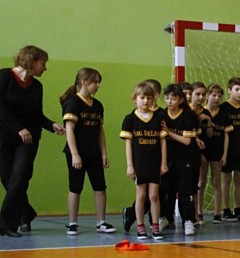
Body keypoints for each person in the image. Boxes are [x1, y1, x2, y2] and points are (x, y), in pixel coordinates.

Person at [0, 45, 65, 237]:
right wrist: (18, 128)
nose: (45, 68)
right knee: (8, 179)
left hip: (28, 139)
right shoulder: (4, 76)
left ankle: (7, 225)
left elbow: (36, 114)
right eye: (43, 63)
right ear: (32, 60)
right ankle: (26, 213)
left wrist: (51, 125)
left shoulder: (37, 86)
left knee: (20, 176)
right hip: (4, 135)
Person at [60, 67, 115, 235]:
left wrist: (104, 153)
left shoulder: (97, 105)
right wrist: (75, 154)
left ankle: (101, 222)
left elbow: (100, 131)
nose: (98, 85)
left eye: (99, 82)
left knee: (100, 187)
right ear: (83, 82)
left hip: (94, 153)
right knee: (75, 187)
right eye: (95, 82)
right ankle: (72, 223)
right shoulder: (73, 103)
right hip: (77, 153)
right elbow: (69, 130)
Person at [120, 82, 168, 240]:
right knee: (141, 196)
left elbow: (163, 142)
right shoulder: (130, 119)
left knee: (154, 196)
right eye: (142, 97)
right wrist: (130, 166)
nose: (146, 101)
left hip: (155, 163)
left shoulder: (158, 118)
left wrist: (163, 163)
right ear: (135, 99)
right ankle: (140, 227)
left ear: (153, 99)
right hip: (139, 164)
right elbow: (128, 145)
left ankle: (155, 226)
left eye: (149, 97)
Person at [161, 83, 200, 236]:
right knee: (166, 189)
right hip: (167, 158)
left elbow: (186, 141)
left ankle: (188, 220)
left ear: (181, 100)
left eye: (173, 98)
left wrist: (169, 132)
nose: (169, 101)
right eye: (167, 98)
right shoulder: (162, 115)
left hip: (185, 158)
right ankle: (165, 218)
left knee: (185, 190)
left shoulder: (189, 116)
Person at [219, 77, 240, 221]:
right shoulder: (223, 108)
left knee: (239, 180)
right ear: (229, 90)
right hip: (227, 150)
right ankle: (226, 209)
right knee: (226, 179)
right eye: (237, 89)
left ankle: (238, 209)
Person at [200, 83, 231, 224]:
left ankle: (217, 213)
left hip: (217, 151)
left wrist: (225, 154)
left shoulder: (223, 114)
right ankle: (198, 211)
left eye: (219, 95)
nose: (217, 98)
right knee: (201, 182)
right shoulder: (201, 112)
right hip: (203, 151)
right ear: (207, 95)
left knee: (216, 181)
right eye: (214, 95)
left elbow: (226, 135)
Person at [188, 82, 210, 225]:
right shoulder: (186, 111)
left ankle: (198, 212)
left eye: (203, 94)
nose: (201, 97)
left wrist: (209, 121)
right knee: (188, 184)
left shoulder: (205, 112)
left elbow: (210, 134)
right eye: (198, 94)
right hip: (187, 150)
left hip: (203, 151)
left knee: (200, 183)